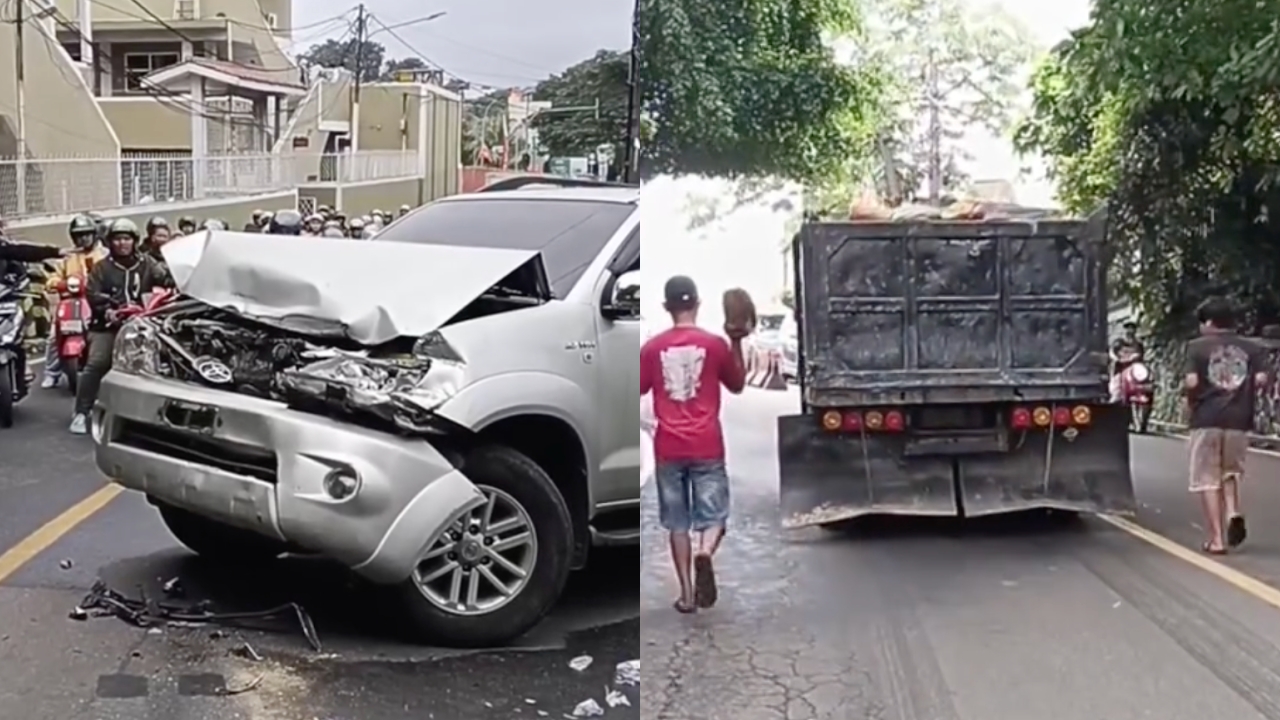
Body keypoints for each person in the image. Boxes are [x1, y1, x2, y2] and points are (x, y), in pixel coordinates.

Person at [640, 276, 747, 614]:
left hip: (668, 447)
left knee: (677, 523)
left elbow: (639, 388)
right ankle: (706, 551)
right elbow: (738, 384)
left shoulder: (652, 348)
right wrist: (736, 341)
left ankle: (687, 595)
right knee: (714, 516)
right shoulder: (715, 345)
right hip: (707, 446)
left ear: (666, 308)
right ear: (697, 304)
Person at [70, 219, 172, 435]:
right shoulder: (102, 268)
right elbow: (93, 294)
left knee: (166, 361)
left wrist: (177, 277)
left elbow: (165, 280)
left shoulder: (147, 264)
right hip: (107, 325)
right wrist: (108, 310)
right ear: (110, 242)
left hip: (143, 323)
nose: (122, 243)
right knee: (97, 363)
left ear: (134, 241)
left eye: (127, 238)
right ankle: (81, 412)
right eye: (117, 239)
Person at [1184, 296, 1267, 555]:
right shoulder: (1252, 348)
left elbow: (1191, 382)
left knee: (1207, 478)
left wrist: (1189, 402)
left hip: (1207, 419)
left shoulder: (1197, 347)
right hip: (1239, 420)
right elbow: (1262, 380)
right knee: (1229, 471)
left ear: (1209, 322)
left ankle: (1217, 540)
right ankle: (1233, 512)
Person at [41, 214, 107, 389]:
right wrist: (56, 283)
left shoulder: (103, 255)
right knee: (54, 336)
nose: (83, 238)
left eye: (87, 234)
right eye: (79, 235)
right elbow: (53, 277)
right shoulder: (68, 257)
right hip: (71, 301)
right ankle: (51, 373)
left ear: (94, 235)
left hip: (94, 301)